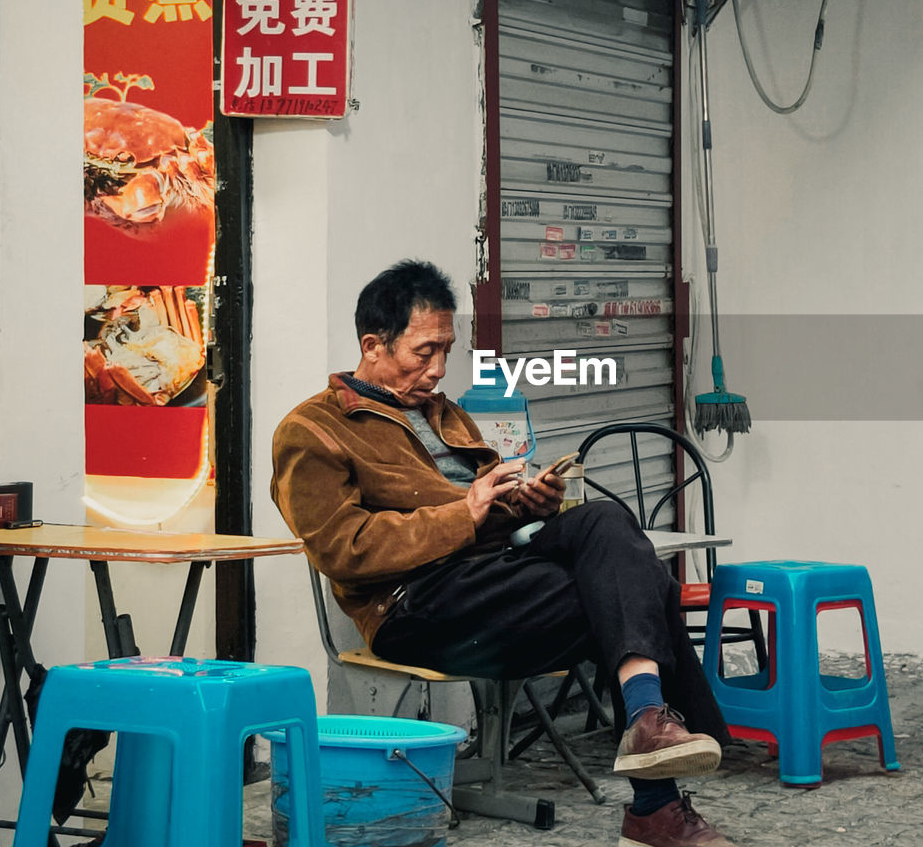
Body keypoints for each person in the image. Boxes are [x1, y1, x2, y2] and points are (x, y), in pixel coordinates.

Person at [271, 259, 742, 847]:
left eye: (447, 349)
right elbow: (342, 550)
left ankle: (648, 728)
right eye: (424, 352)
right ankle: (655, 800)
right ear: (373, 345)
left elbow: (490, 508)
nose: (439, 368)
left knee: (603, 521)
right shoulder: (312, 431)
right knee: (636, 586)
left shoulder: (445, 414)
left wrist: (527, 502)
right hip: (415, 603)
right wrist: (462, 513)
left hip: (498, 575)